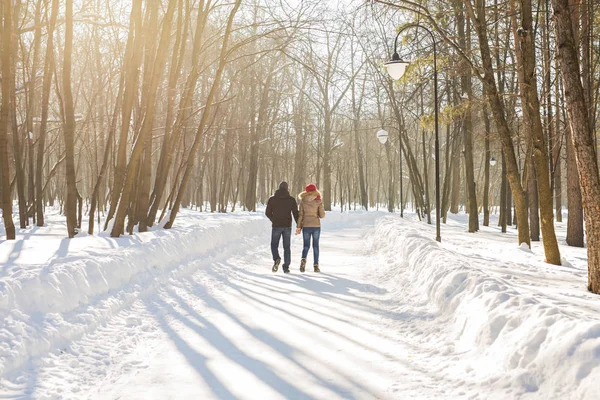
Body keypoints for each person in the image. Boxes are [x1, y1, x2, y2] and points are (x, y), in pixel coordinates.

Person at [265, 181, 299, 273]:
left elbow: (267, 213)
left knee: (274, 244)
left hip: (276, 225)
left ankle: (276, 258)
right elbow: (295, 213)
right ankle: (286, 267)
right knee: (287, 247)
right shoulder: (291, 200)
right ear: (287, 189)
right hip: (287, 226)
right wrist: (299, 225)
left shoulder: (272, 199)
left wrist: (274, 219)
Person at [296, 183, 325, 273]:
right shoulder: (318, 200)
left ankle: (303, 260)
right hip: (316, 226)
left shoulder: (303, 201)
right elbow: (322, 215)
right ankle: (316, 266)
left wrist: (298, 227)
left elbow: (300, 215)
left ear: (307, 191)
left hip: (306, 226)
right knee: (315, 246)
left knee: (306, 245)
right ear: (315, 190)